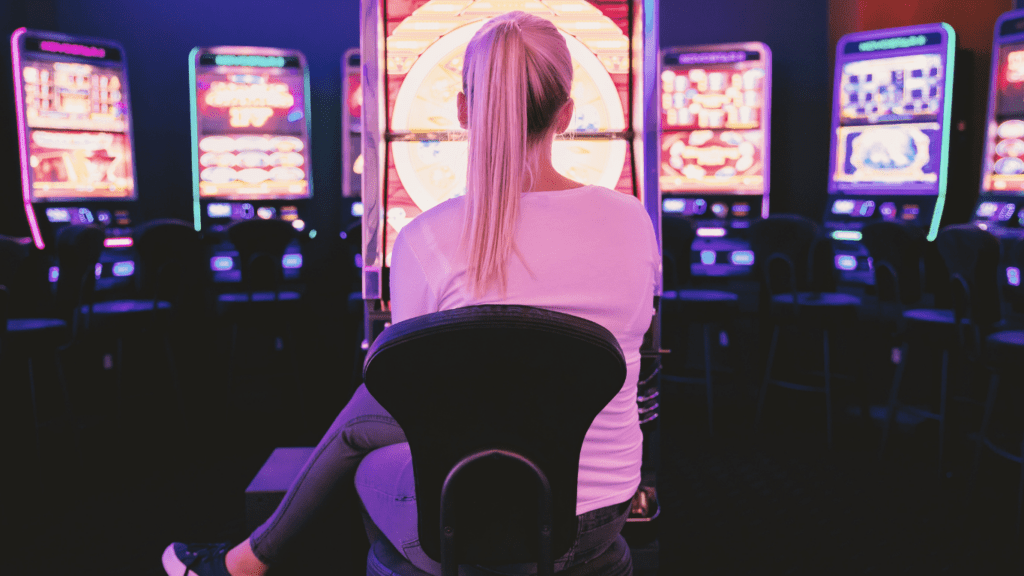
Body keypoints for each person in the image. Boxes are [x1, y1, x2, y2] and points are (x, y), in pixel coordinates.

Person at [162, 10, 658, 576]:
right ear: (566, 114)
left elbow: (412, 401)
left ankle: (251, 560)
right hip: (604, 514)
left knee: (365, 439)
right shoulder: (632, 221)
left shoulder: (427, 238)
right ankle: (247, 560)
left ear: (464, 109)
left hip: (469, 521)